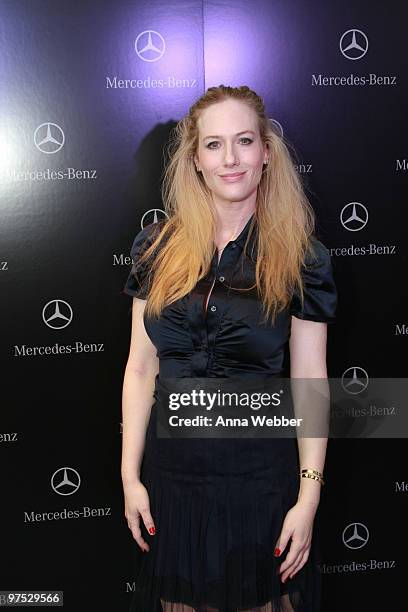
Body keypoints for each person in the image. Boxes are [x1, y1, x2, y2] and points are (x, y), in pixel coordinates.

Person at [121, 85, 337, 612]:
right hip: (172, 485)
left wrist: (307, 499)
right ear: (195, 160)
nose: (231, 159)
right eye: (214, 145)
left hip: (260, 486)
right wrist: (130, 477)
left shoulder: (301, 257)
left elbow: (310, 383)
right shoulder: (156, 248)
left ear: (266, 151)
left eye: (244, 141)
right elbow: (140, 368)